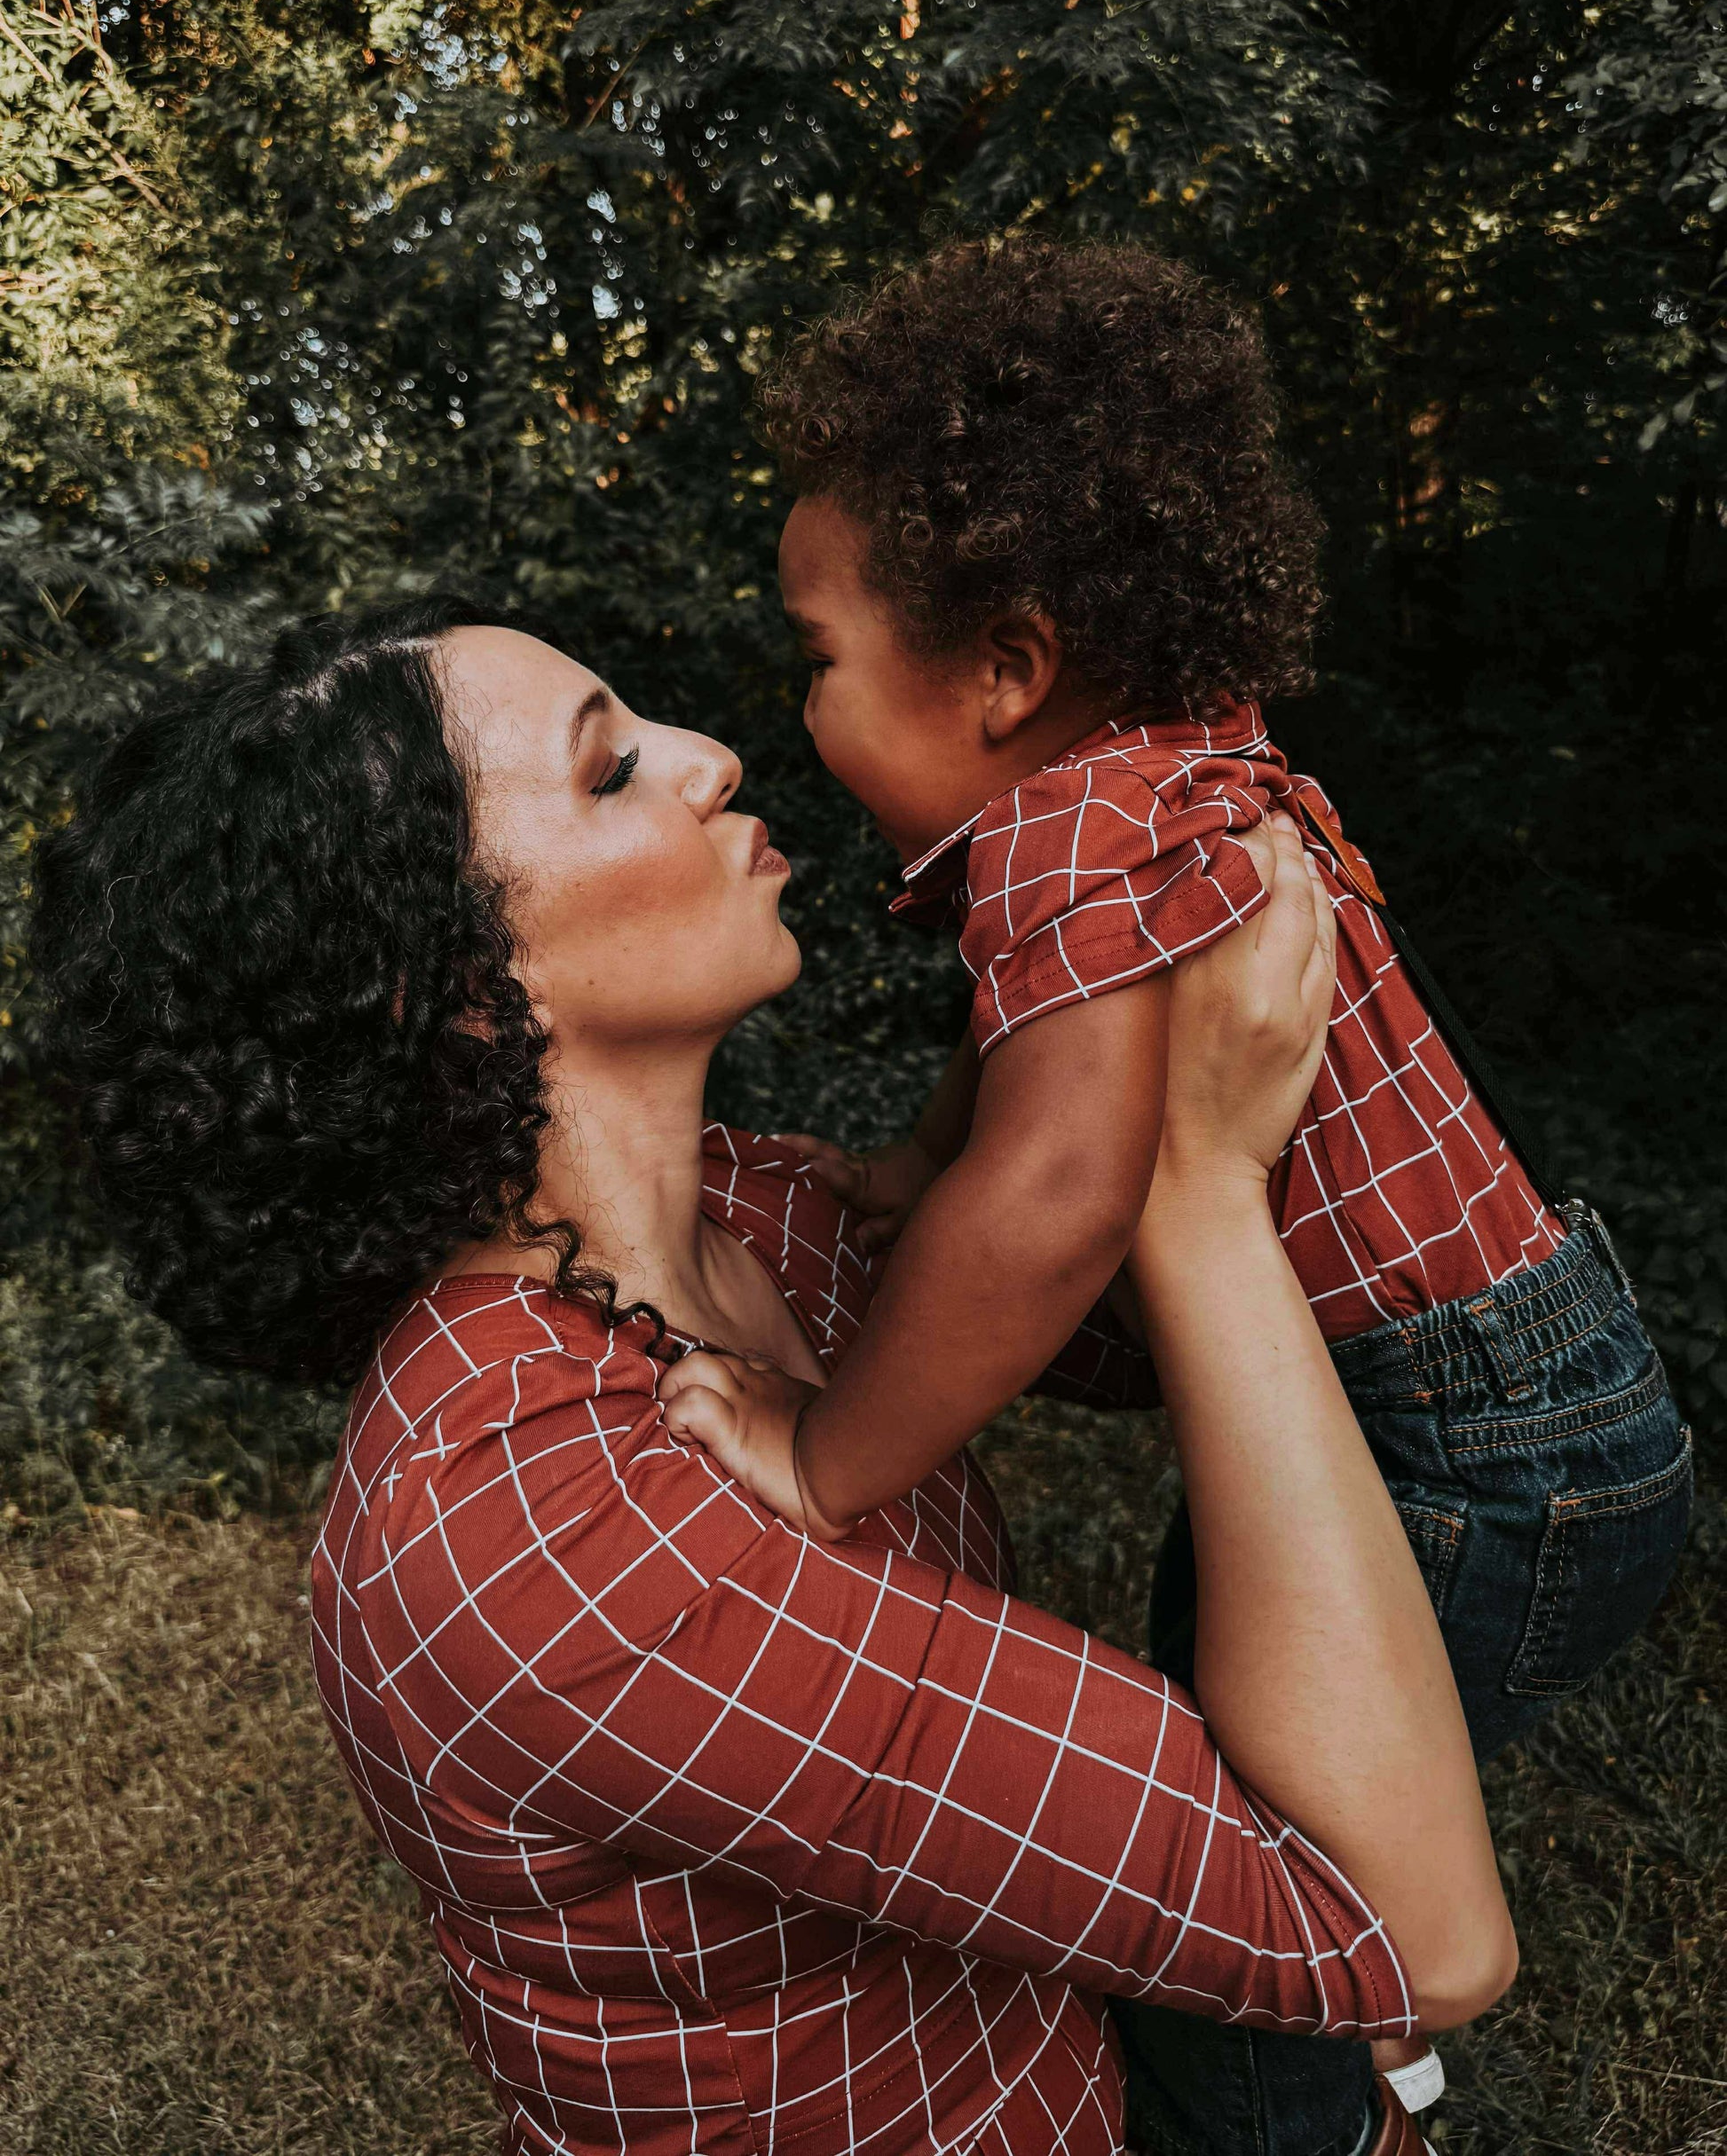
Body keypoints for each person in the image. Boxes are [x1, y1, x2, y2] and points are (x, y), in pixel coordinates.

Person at [31, 602, 1512, 2156]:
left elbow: (1256, 1350)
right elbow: (1417, 1936)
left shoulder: (773, 1219)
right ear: (460, 992)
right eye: (611, 770)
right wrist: (1200, 1195)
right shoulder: (539, 1535)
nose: (710, 757)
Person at [661, 238, 1692, 2152]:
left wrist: (821, 1457)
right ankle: (1361, 2089)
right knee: (1249, 1776)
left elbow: (1057, 1192)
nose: (795, 712)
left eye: (817, 658)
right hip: (1524, 1383)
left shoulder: (1070, 839)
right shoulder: (1160, 767)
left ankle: (1303, 2110)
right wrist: (914, 1166)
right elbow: (1032, 1065)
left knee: (1263, 1892)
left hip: (1462, 1445)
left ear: (1006, 668)